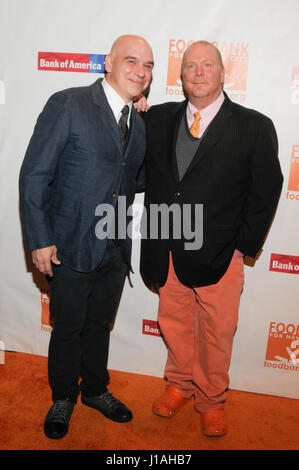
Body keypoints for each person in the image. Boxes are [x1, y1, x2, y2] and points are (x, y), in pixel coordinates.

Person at [139, 40, 283, 437]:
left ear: (223, 73)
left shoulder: (254, 126)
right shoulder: (157, 118)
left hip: (221, 251)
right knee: (174, 322)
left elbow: (267, 189)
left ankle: (211, 398)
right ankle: (180, 384)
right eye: (190, 66)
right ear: (181, 76)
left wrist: (243, 244)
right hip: (166, 242)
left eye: (207, 65)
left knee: (217, 331)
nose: (198, 72)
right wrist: (130, 112)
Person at [19, 34, 154, 439]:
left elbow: (134, 178)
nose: (140, 71)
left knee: (99, 324)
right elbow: (34, 175)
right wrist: (39, 239)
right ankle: (63, 396)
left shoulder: (140, 124)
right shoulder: (69, 103)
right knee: (68, 326)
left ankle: (95, 389)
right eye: (132, 61)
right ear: (109, 61)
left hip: (115, 244)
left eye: (148, 66)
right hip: (69, 243)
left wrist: (141, 115)